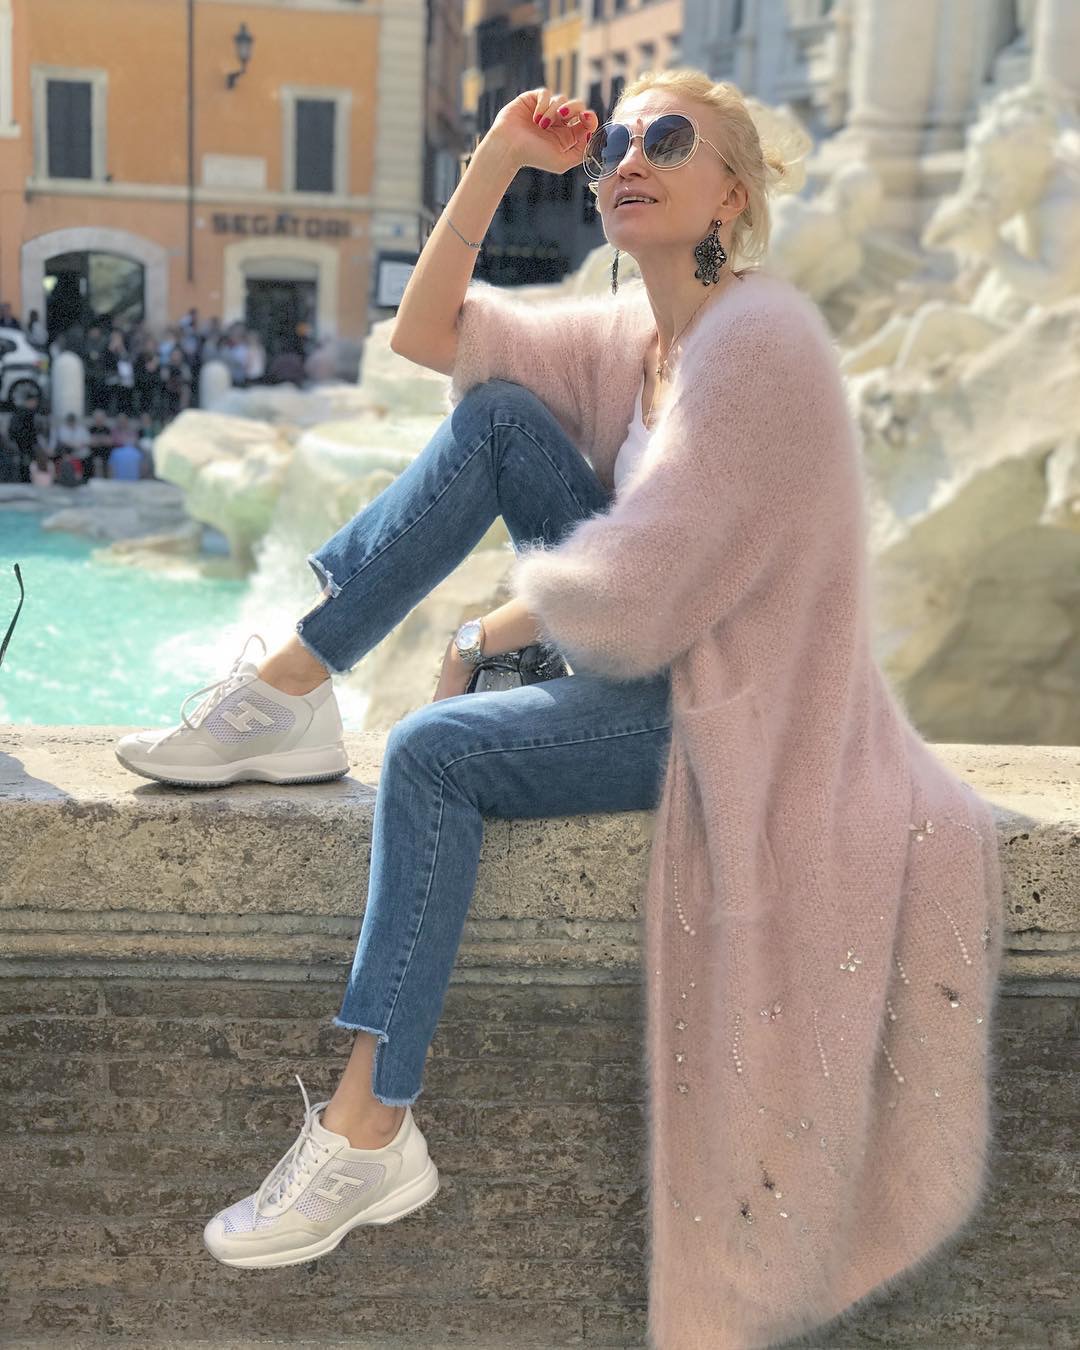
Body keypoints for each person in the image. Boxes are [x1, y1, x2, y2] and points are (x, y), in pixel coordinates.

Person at [112, 69, 1002, 1349]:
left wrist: (480, 633)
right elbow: (430, 337)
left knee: (430, 754)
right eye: (617, 142)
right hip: (653, 669)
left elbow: (661, 568)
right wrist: (494, 158)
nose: (629, 157)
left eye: (668, 140)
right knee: (500, 420)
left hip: (738, 711)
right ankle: (292, 690)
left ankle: (370, 1129)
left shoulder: (763, 339)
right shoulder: (636, 336)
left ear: (730, 195)